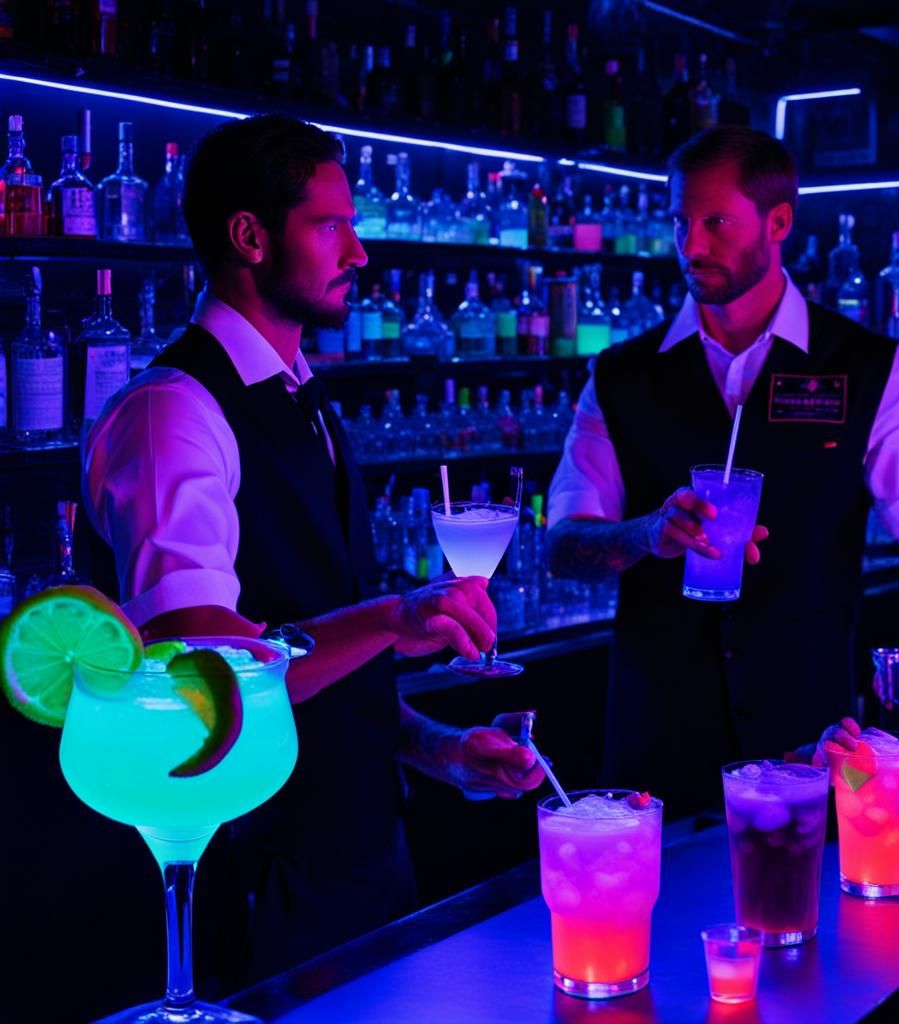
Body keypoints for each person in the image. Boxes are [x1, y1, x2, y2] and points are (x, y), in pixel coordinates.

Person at [80, 114, 543, 993]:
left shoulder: (306, 402)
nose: (359, 252)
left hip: (364, 859)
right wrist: (391, 617)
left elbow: (316, 661)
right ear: (250, 237)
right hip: (252, 871)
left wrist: (437, 748)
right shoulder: (171, 413)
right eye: (330, 225)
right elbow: (207, 667)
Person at [547, 125, 899, 816]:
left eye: (716, 221)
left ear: (779, 220)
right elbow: (563, 548)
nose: (691, 245)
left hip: (811, 756)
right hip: (654, 757)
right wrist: (646, 536)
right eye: (679, 221)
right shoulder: (619, 376)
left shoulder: (873, 369)